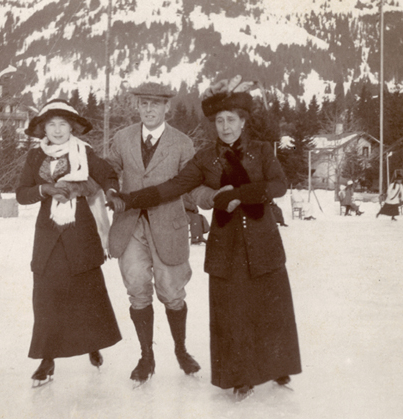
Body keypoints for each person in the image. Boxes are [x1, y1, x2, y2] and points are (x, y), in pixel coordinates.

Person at [117, 76, 302, 399]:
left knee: (270, 306)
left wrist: (240, 194)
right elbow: (173, 187)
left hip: (262, 240)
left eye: (232, 120)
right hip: (226, 243)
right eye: (220, 121)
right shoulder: (205, 158)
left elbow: (279, 186)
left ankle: (276, 365)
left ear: (243, 122)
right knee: (232, 309)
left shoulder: (261, 151)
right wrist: (132, 199)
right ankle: (240, 375)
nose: (226, 127)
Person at [16, 99, 123, 386]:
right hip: (49, 234)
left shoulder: (84, 151)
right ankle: (46, 360)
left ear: (72, 127)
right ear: (43, 128)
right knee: (46, 296)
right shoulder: (35, 157)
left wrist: (111, 191)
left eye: (63, 124)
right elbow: (21, 194)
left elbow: (106, 174)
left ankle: (93, 343)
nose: (58, 130)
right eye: (51, 124)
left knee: (87, 292)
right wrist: (44, 189)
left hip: (81, 231)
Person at [106, 82, 201, 384]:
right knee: (136, 288)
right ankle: (146, 356)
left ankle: (181, 349)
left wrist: (198, 211)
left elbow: (191, 184)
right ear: (137, 106)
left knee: (172, 292)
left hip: (168, 226)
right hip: (130, 224)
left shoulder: (183, 143)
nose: (149, 110)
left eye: (155, 104)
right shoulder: (122, 138)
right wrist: (109, 186)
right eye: (143, 104)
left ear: (166, 108)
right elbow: (109, 167)